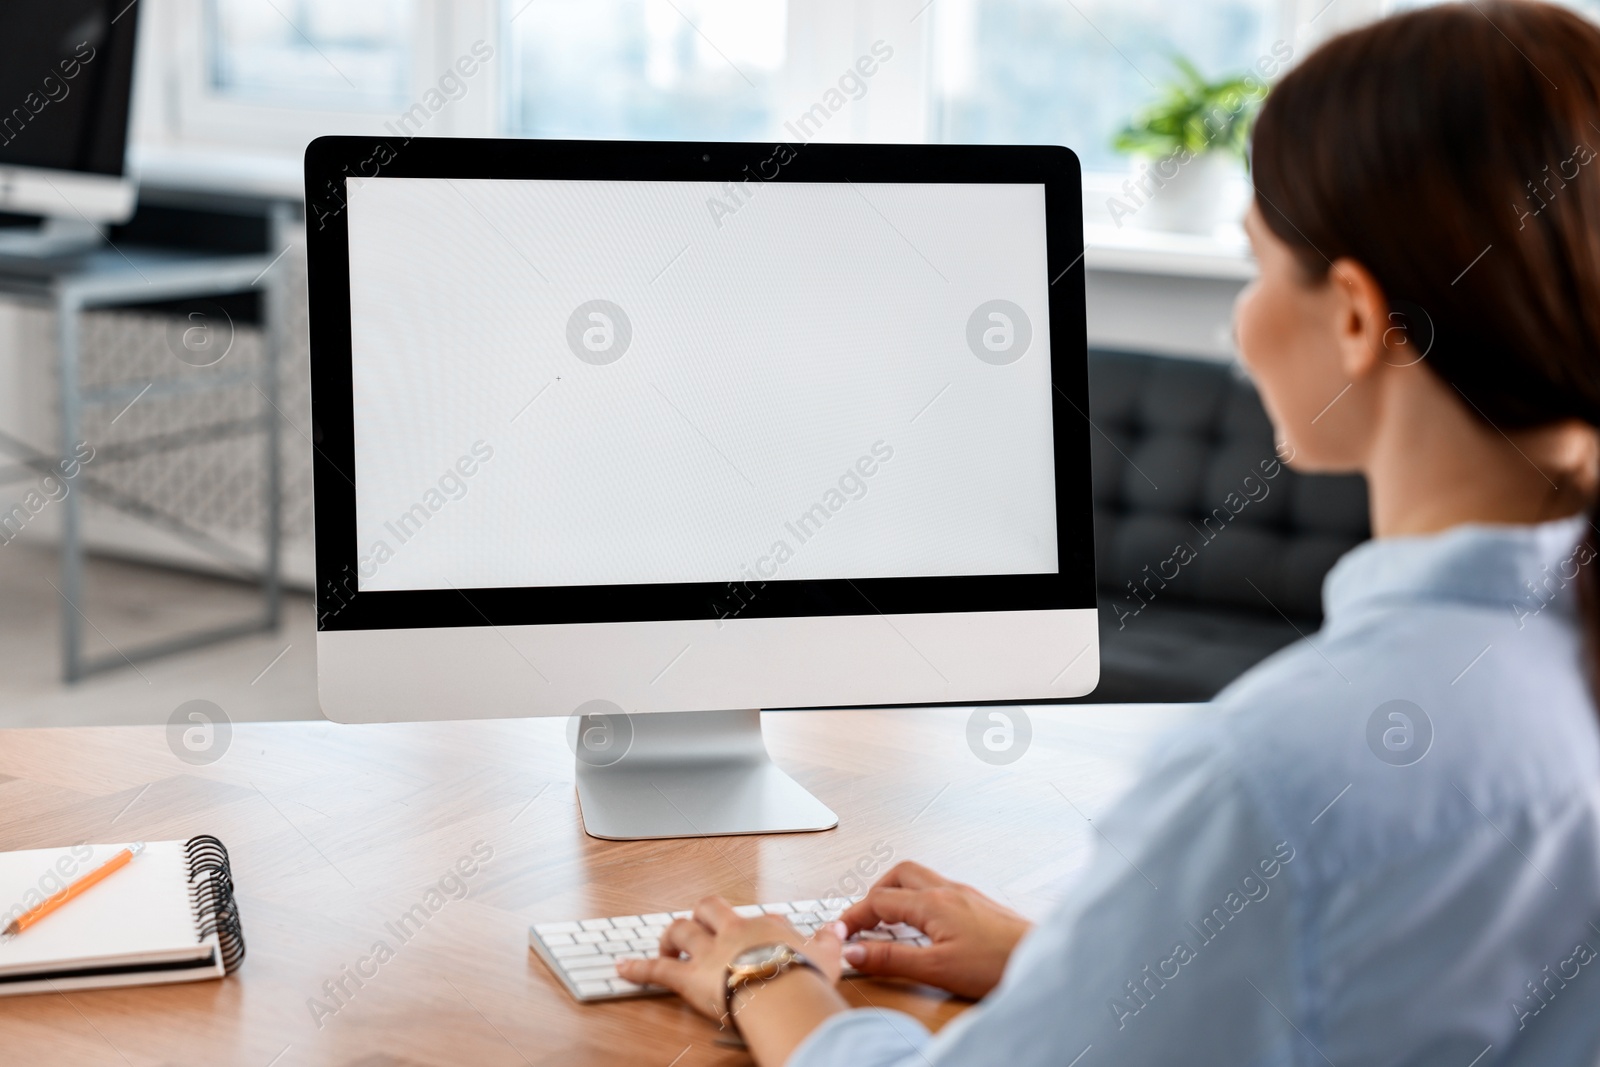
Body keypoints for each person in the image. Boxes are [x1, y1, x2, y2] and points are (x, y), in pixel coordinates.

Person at [618, 3, 1600, 1062]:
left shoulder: (1280, 771)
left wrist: (768, 976)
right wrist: (1084, 961)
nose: (1242, 321)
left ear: (1356, 318)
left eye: (1257, 266)